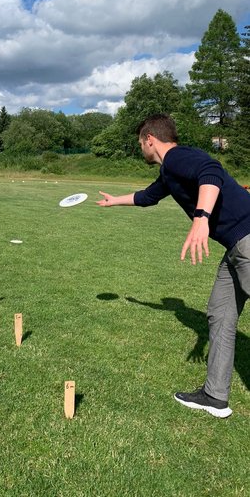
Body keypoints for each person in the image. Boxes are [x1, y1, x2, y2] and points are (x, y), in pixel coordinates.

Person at [96, 113, 250, 418]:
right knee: (220, 313)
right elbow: (148, 196)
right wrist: (115, 201)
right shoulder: (170, 171)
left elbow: (211, 171)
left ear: (150, 139)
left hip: (247, 239)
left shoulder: (177, 157)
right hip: (235, 246)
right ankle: (215, 396)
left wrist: (201, 218)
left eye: (140, 143)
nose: (140, 148)